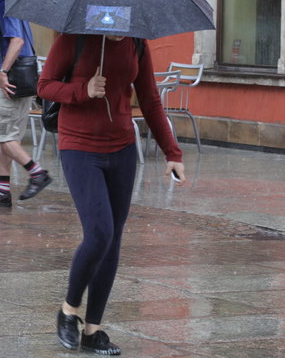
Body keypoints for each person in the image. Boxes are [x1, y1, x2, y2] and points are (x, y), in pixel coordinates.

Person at [37, 34, 185, 355]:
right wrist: (82, 90)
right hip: (78, 146)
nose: (120, 24)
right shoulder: (73, 39)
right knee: (99, 232)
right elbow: (45, 85)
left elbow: (150, 99)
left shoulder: (137, 45)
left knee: (113, 238)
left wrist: (172, 152)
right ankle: (68, 309)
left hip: (121, 149)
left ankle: (93, 330)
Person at [0, 0, 51, 207]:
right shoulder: (11, 5)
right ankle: (2, 191)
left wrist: (3, 71)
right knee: (3, 138)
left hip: (12, 80)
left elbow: (17, 42)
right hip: (19, 78)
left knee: (0, 134)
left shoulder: (4, 5)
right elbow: (9, 46)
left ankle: (37, 173)